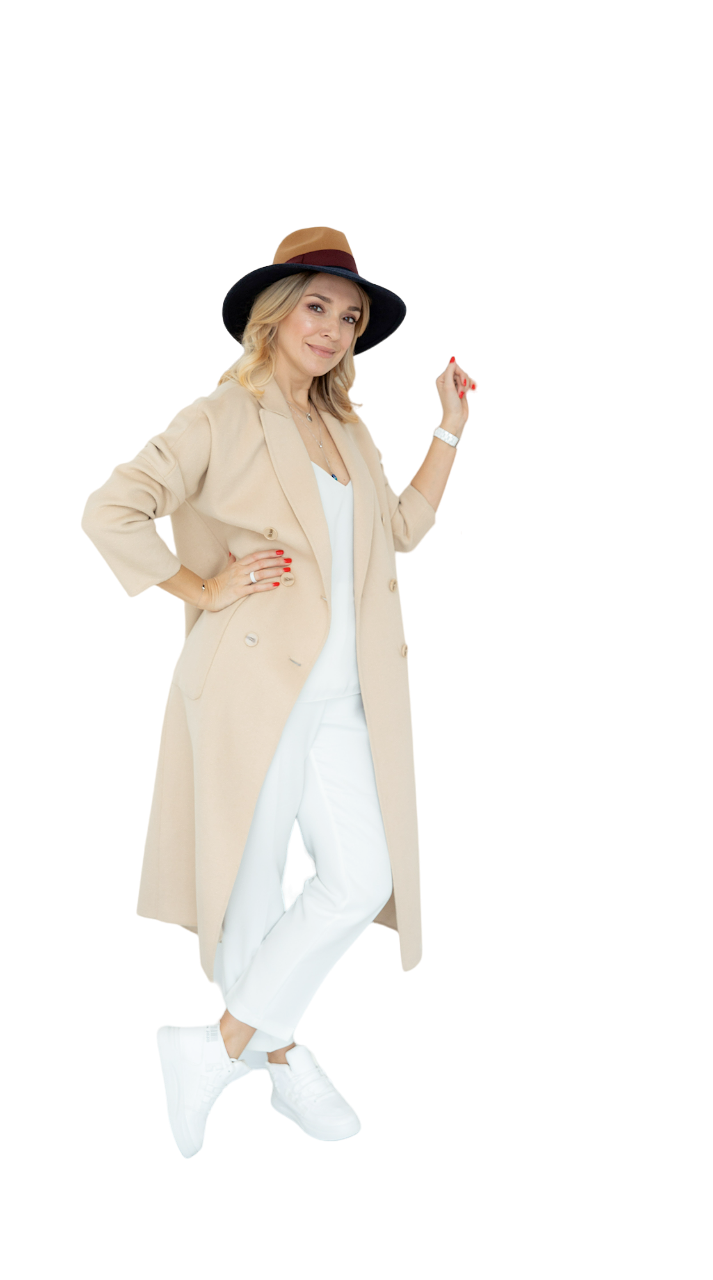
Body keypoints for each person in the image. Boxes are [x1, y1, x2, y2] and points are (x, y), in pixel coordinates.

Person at [79, 227, 477, 1156]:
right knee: (250, 893)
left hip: (345, 699)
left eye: (350, 317)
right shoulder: (220, 416)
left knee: (361, 880)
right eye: (315, 307)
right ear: (272, 315)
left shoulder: (350, 430)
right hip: (250, 687)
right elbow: (110, 509)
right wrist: (204, 587)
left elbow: (401, 529)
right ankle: (282, 1058)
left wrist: (449, 425)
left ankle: (218, 1048)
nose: (332, 329)